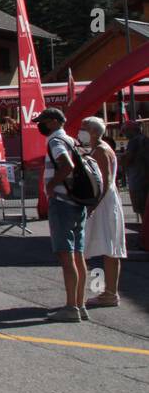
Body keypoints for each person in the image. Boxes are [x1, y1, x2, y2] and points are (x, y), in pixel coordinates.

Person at [37, 108, 87, 323]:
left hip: (63, 203)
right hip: (78, 202)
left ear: (53, 122)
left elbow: (67, 165)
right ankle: (80, 303)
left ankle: (70, 307)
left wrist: (51, 184)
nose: (40, 125)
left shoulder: (56, 141)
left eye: (43, 121)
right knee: (78, 254)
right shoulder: (72, 140)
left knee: (66, 255)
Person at [81, 117, 125, 308]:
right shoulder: (102, 148)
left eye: (84, 128)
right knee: (109, 247)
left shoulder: (100, 150)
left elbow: (104, 181)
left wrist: (92, 205)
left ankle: (106, 293)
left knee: (103, 246)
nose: (80, 130)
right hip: (107, 201)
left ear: (92, 131)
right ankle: (108, 292)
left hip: (103, 203)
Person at [122, 121, 149, 234]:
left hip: (138, 179)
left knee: (141, 209)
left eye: (125, 131)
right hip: (145, 178)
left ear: (131, 130)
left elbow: (128, 158)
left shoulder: (134, 141)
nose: (124, 135)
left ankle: (145, 234)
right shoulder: (145, 139)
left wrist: (121, 162)